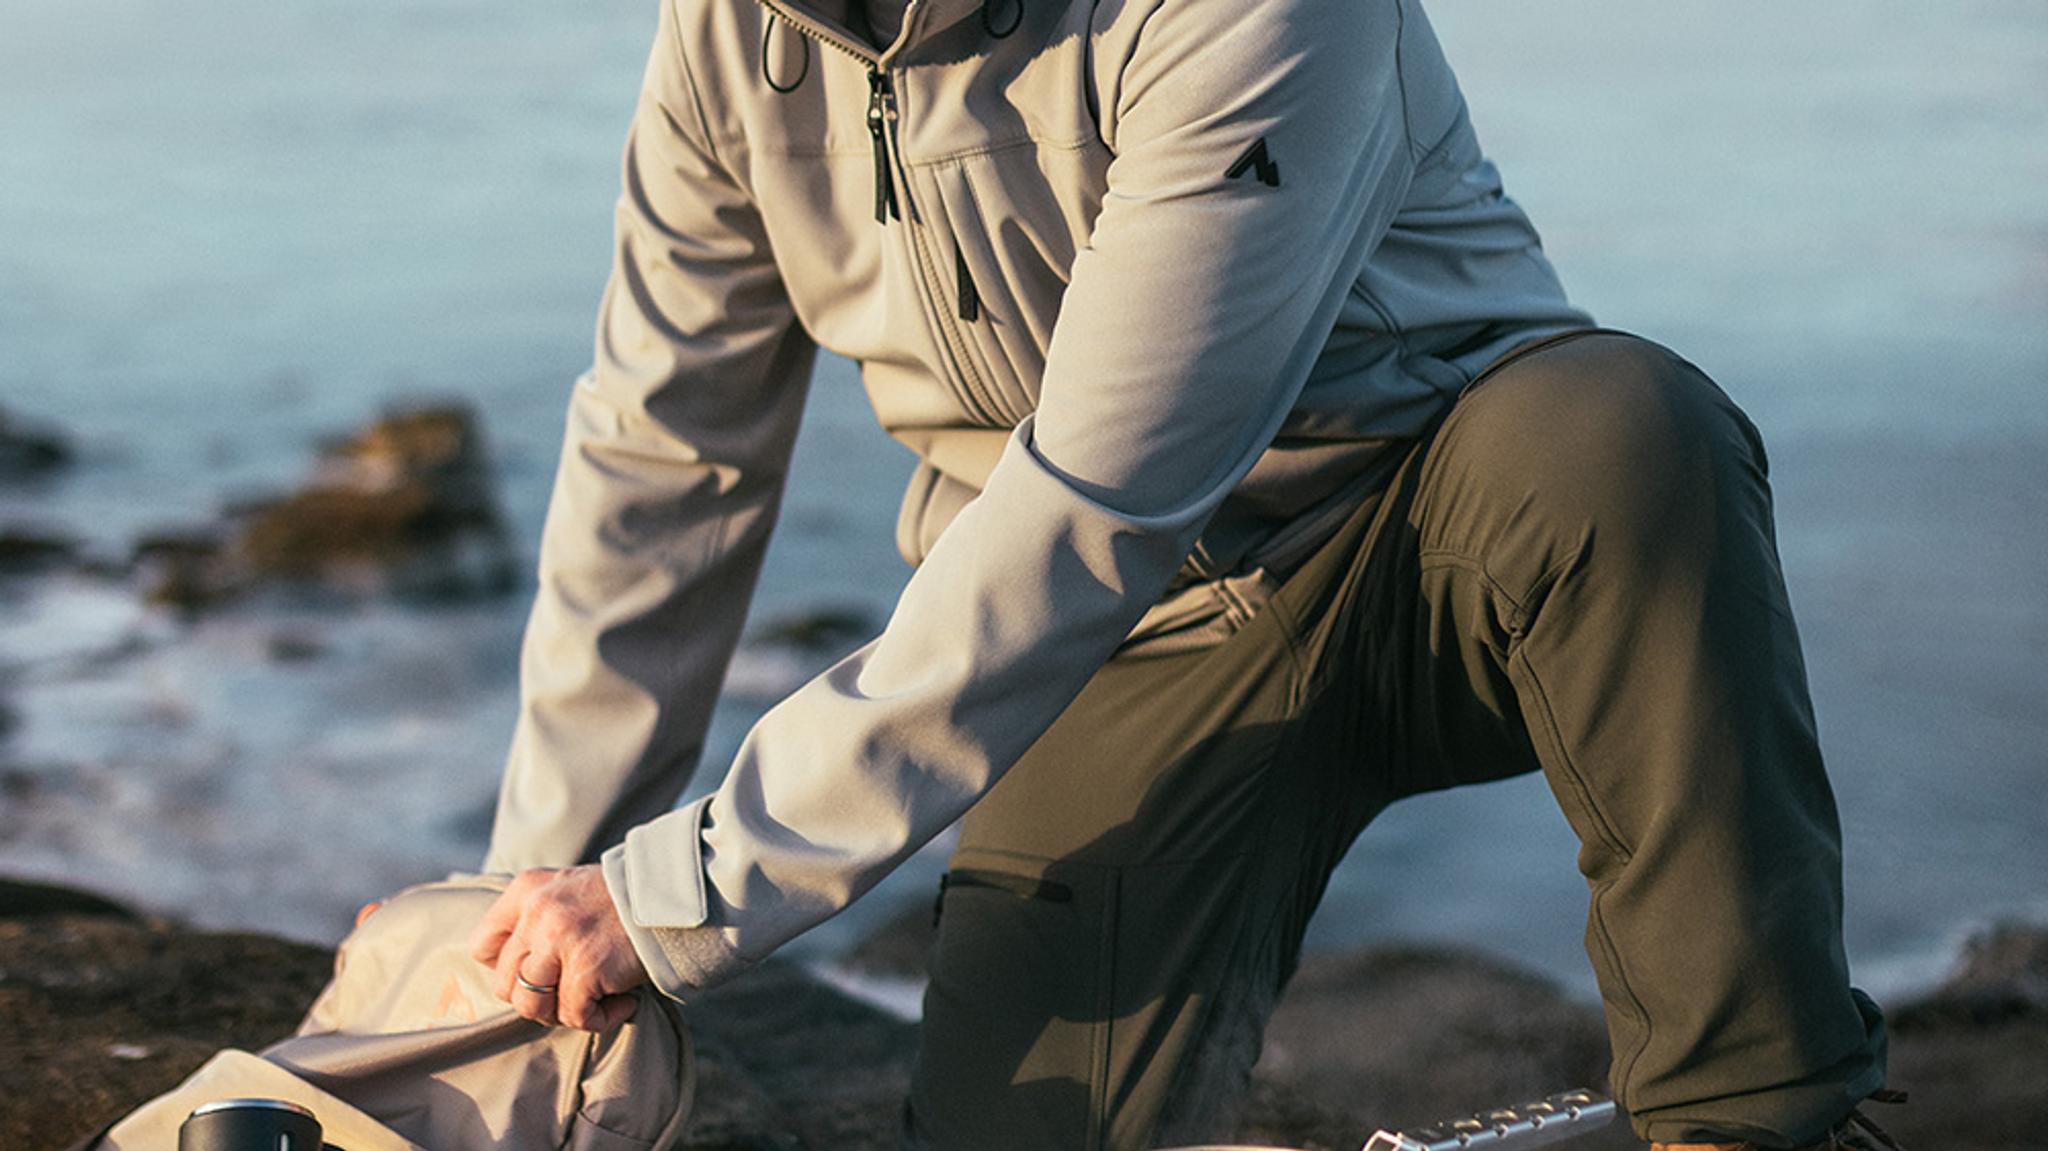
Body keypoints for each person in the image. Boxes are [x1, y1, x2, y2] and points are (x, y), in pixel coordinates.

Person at [461, 0, 1901, 1147]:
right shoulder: (730, 35)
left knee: (1625, 439)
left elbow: (1102, 494)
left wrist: (693, 891)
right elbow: (663, 464)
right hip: (1122, 643)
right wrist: (526, 919)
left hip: (1436, 541)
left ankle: (1752, 1112)